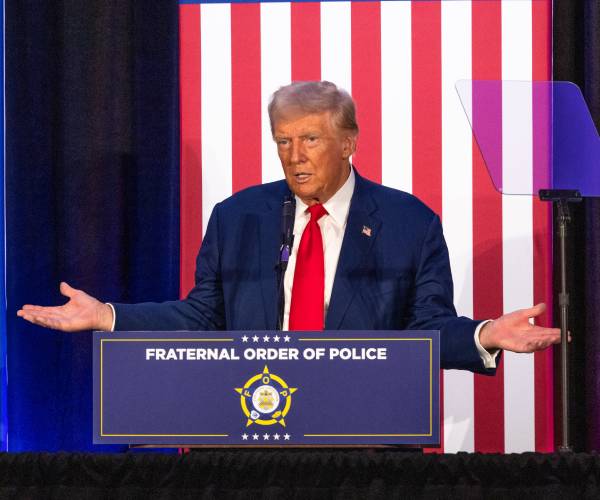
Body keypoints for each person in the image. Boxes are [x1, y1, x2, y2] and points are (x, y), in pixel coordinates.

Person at [17, 81, 561, 373]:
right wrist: (108, 316)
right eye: (283, 141)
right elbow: (202, 317)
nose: (294, 155)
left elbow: (426, 329)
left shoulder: (408, 223)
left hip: (363, 442)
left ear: (348, 143)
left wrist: (484, 334)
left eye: (310, 140)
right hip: (251, 432)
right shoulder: (237, 217)